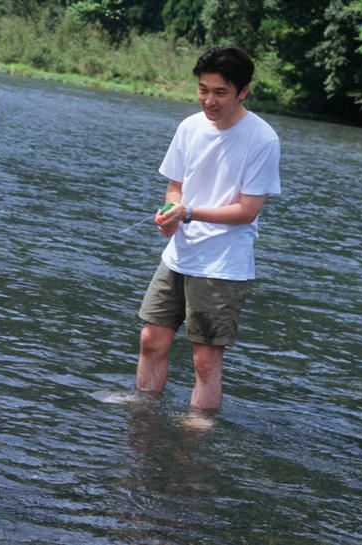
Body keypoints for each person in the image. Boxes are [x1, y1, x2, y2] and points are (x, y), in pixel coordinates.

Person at [134, 46, 281, 415]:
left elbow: (248, 211)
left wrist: (188, 213)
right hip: (179, 253)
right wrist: (170, 214)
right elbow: (175, 186)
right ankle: (144, 409)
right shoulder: (189, 126)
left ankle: (198, 428)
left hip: (223, 263)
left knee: (204, 358)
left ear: (243, 91)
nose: (209, 101)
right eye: (203, 89)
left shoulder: (262, 139)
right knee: (151, 339)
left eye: (220, 92)